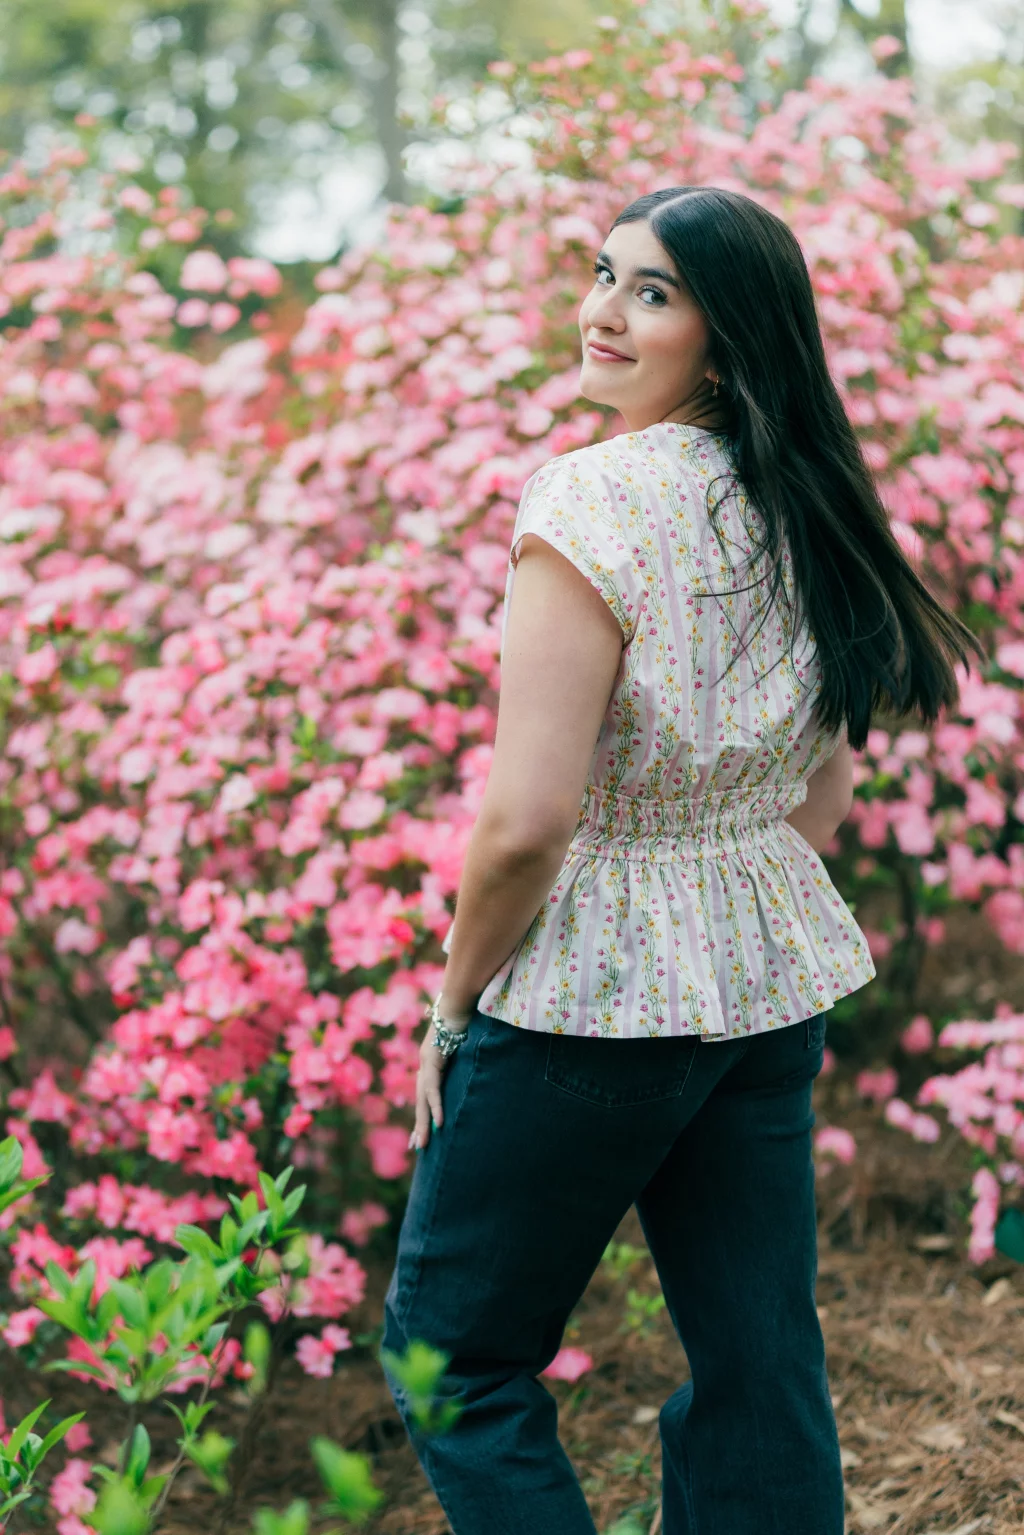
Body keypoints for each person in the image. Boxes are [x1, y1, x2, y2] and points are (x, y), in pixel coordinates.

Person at [380, 185, 983, 1535]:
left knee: (457, 1359)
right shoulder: (803, 495)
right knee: (760, 1357)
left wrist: (451, 1001)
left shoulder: (591, 497)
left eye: (652, 292)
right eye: (604, 276)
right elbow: (822, 788)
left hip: (587, 996)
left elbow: (527, 820)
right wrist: (722, 897)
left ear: (731, 332)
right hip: (765, 976)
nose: (603, 311)